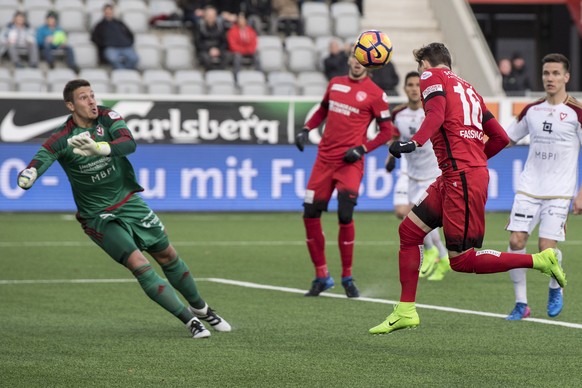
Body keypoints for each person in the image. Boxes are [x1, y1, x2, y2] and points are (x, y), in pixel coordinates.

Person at [368, 42, 567, 335]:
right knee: (409, 232)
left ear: (428, 64)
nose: (421, 75)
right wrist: (473, 162)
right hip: (457, 175)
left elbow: (434, 115)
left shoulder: (430, 77)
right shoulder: (469, 89)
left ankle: (539, 260)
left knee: (461, 260)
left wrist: (415, 142)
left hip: (461, 176)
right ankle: (405, 310)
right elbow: (498, 138)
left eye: (421, 67)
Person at [17, 79, 231, 339]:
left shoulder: (107, 117)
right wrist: (30, 172)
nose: (92, 101)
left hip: (129, 202)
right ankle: (189, 321)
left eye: (92, 95)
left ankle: (201, 309)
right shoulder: (62, 139)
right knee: (139, 264)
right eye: (84, 97)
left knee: (167, 255)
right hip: (97, 215)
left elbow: (129, 143)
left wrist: (100, 148)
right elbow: (43, 157)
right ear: (70, 105)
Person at [295, 52, 395, 298]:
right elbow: (322, 110)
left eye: (363, 59)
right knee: (309, 213)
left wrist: (362, 149)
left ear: (369, 65)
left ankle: (347, 277)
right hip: (323, 161)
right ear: (350, 60)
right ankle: (322, 276)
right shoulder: (335, 83)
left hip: (350, 163)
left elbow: (386, 132)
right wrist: (307, 129)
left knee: (345, 213)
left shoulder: (375, 94)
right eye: (355, 57)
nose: (358, 62)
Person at [504, 53, 582, 321]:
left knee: (545, 250)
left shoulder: (577, 112)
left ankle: (554, 286)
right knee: (516, 241)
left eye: (556, 74)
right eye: (547, 73)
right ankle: (521, 303)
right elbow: (507, 139)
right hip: (529, 188)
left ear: (566, 77)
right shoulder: (532, 110)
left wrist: (581, 192)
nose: (550, 78)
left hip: (560, 192)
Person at [385, 71, 449, 281]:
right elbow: (394, 137)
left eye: (416, 85)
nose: (413, 88)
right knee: (408, 216)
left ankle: (433, 253)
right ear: (404, 88)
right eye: (410, 84)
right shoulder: (398, 114)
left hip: (431, 175)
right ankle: (442, 256)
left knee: (413, 216)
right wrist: (390, 157)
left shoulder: (432, 112)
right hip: (410, 174)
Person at [91, 3, 139, 70]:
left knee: (134, 58)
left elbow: (130, 34)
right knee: (113, 59)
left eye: (110, 11)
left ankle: (124, 71)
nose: (108, 13)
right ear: (104, 12)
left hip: (125, 47)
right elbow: (94, 37)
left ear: (113, 12)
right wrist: (104, 45)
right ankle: (124, 73)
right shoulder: (100, 25)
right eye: (106, 11)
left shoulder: (120, 23)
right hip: (110, 48)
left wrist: (128, 43)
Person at [194, 5, 230, 70]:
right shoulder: (199, 26)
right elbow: (198, 42)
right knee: (205, 57)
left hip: (218, 48)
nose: (211, 17)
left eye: (213, 15)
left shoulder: (220, 26)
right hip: (205, 49)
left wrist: (218, 50)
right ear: (205, 16)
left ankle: (220, 71)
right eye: (209, 15)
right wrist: (209, 50)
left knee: (227, 55)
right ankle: (211, 72)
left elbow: (224, 42)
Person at [227, 11, 260, 77]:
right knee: (237, 57)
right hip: (238, 51)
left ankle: (260, 74)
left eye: (243, 19)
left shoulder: (250, 30)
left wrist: (249, 49)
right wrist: (243, 50)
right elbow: (232, 45)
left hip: (249, 51)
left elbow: (254, 42)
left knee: (257, 56)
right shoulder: (232, 31)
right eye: (240, 19)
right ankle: (236, 75)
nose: (241, 21)